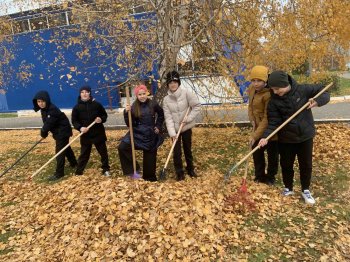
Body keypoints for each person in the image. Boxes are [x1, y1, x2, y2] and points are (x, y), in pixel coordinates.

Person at [258, 70, 330, 204]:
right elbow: (273, 122)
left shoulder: (303, 90)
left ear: (285, 84)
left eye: (277, 89)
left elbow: (325, 90)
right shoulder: (273, 102)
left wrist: (317, 101)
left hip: (305, 136)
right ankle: (288, 187)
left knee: (306, 164)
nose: (275, 92)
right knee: (286, 164)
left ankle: (305, 190)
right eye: (272, 89)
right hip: (286, 138)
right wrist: (265, 137)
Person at [118, 85, 164, 181]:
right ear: (136, 95)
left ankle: (149, 178)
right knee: (122, 147)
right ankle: (133, 170)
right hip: (136, 133)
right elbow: (129, 124)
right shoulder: (133, 106)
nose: (142, 96)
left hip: (150, 133)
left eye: (144, 94)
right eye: (140, 94)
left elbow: (161, 114)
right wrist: (127, 113)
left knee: (150, 154)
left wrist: (158, 126)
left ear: (147, 93)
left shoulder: (153, 104)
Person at [163, 70, 201, 181]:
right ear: (168, 85)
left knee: (187, 149)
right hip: (174, 130)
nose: (173, 84)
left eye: (175, 82)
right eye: (170, 83)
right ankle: (179, 172)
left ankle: (190, 169)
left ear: (178, 82)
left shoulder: (187, 93)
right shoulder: (166, 100)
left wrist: (188, 119)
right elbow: (168, 117)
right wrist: (172, 133)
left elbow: (197, 106)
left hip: (186, 127)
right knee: (176, 152)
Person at [33, 90, 77, 181]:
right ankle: (74, 163)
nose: (40, 103)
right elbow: (47, 123)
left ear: (47, 100)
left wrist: (43, 131)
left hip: (63, 131)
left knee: (60, 152)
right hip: (58, 131)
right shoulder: (44, 109)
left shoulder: (52, 109)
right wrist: (44, 131)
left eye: (42, 101)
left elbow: (48, 123)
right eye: (38, 101)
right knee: (66, 148)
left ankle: (59, 173)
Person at [247, 66, 279, 185]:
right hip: (257, 126)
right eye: (253, 80)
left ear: (265, 81)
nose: (255, 84)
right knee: (257, 152)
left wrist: (255, 136)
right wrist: (251, 119)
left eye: (259, 81)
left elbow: (266, 118)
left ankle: (271, 177)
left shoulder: (269, 94)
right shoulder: (251, 89)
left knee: (272, 155)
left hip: (270, 129)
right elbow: (250, 105)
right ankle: (259, 176)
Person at [71, 86, 110, 177]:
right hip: (85, 134)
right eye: (82, 92)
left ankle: (106, 169)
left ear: (89, 93)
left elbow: (104, 115)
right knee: (84, 154)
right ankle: (79, 171)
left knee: (103, 153)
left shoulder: (97, 104)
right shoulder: (76, 107)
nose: (84, 94)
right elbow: (74, 121)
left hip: (98, 133)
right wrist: (80, 128)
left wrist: (101, 119)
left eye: (86, 92)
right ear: (80, 94)